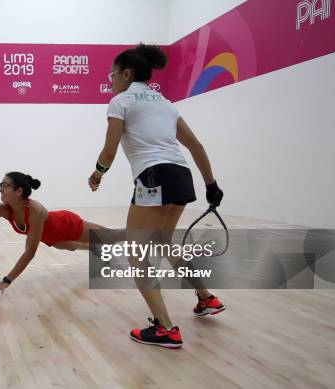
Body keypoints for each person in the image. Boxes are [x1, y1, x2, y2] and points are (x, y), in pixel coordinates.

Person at [88, 43, 225, 349]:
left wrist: (97, 173)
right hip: (181, 176)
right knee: (164, 243)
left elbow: (109, 150)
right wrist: (211, 184)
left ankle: (165, 328)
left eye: (112, 74)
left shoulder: (120, 101)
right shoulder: (166, 103)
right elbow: (197, 146)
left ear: (126, 73)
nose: (110, 79)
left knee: (137, 255)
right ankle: (206, 298)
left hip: (153, 177)